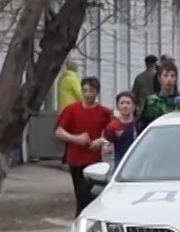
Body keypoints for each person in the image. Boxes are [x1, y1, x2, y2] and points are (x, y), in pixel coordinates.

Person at [54, 77, 113, 213]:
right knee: (80, 195)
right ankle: (82, 220)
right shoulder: (72, 110)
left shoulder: (103, 112)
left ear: (97, 92)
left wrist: (101, 141)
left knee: (87, 194)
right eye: (84, 90)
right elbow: (59, 131)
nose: (87, 94)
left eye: (91, 91)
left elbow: (111, 133)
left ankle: (81, 219)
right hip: (75, 160)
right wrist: (76, 138)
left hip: (94, 161)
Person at [105, 91, 142, 165]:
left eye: (128, 103)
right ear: (118, 106)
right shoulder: (112, 127)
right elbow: (107, 147)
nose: (125, 106)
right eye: (122, 103)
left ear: (134, 106)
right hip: (120, 165)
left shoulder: (139, 124)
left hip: (138, 163)